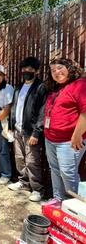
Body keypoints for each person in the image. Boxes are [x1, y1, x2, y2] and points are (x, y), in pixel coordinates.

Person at [44, 58, 86, 201]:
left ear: (69, 68)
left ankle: (73, 206)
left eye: (60, 67)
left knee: (68, 173)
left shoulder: (80, 84)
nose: (56, 72)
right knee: (55, 170)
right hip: (50, 139)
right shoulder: (57, 88)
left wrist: (77, 135)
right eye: (53, 70)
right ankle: (58, 200)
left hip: (68, 141)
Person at [8, 57, 47, 202]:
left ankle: (37, 189)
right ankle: (23, 183)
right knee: (19, 158)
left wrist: (37, 132)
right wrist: (11, 126)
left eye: (30, 69)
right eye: (24, 69)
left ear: (36, 71)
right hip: (18, 129)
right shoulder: (18, 86)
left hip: (31, 132)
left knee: (32, 161)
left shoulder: (41, 87)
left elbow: (43, 112)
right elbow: (14, 107)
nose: (26, 71)